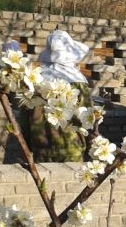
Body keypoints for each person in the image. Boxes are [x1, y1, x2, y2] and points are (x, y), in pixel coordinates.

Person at [25, 30, 92, 163]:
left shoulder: (35, 79)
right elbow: (88, 118)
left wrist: (27, 145)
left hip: (40, 147)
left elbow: (25, 117)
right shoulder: (78, 81)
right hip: (71, 147)